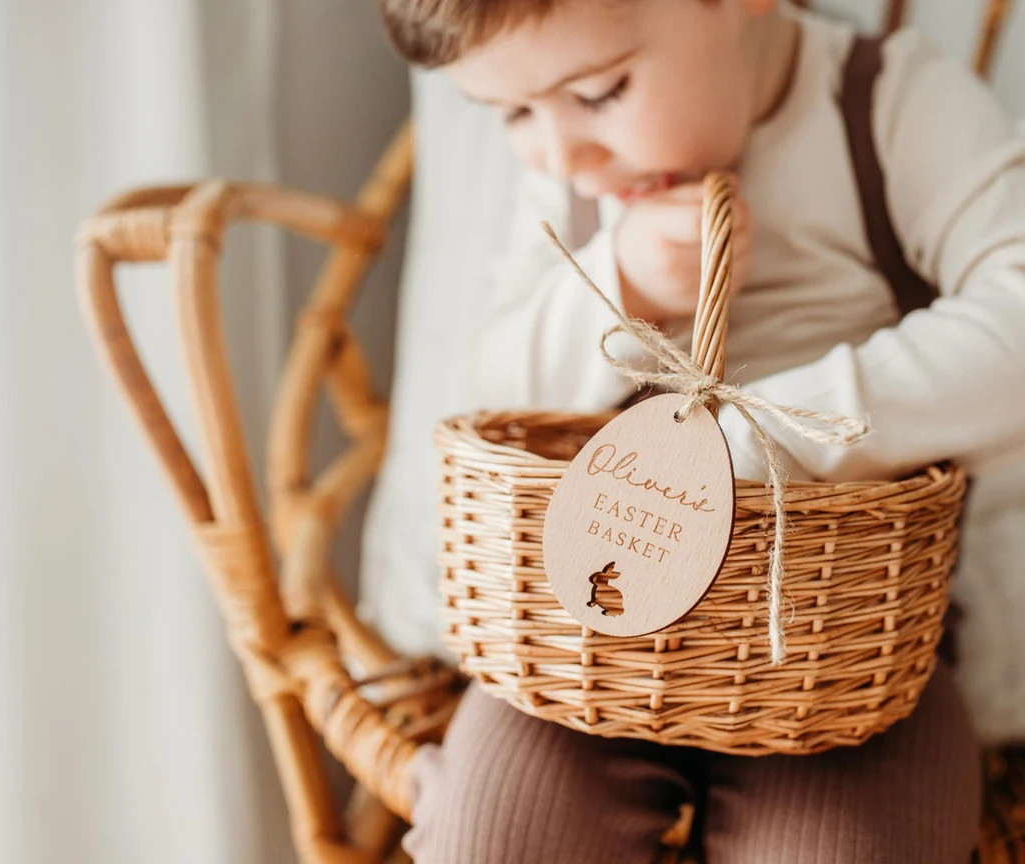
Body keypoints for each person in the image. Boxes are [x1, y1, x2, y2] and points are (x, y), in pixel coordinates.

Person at [369, 1, 1025, 860]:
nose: (563, 155)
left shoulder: (888, 102)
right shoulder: (576, 178)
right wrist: (617, 282)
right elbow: (498, 395)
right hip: (586, 631)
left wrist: (762, 438)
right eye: (514, 115)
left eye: (601, 92)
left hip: (845, 643)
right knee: (494, 836)